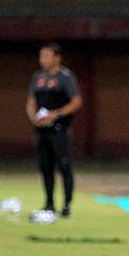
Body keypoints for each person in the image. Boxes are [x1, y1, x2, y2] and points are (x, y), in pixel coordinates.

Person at [25, 43, 83, 217]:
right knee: (45, 166)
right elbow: (31, 101)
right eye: (41, 56)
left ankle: (66, 204)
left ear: (57, 57)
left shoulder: (65, 77)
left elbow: (76, 102)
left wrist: (55, 114)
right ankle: (49, 204)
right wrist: (33, 116)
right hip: (41, 130)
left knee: (64, 165)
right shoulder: (38, 77)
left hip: (59, 129)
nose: (42, 60)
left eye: (46, 56)